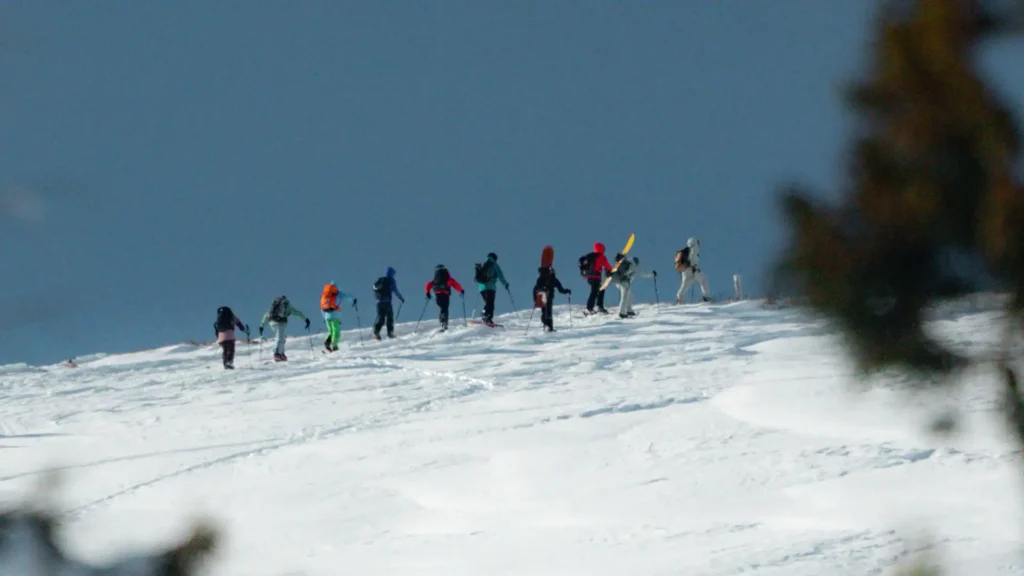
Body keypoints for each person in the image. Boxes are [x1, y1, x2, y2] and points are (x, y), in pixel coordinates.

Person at [259, 295, 309, 362]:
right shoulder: (287, 306)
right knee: (280, 338)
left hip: (272, 323)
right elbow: (297, 313)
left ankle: (281, 353)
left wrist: (262, 326)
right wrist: (305, 319)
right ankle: (277, 354)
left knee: (281, 338)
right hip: (280, 323)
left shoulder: (274, 307)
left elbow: (267, 315)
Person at [425, 265, 464, 332]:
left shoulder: (435, 279)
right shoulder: (448, 278)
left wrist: (427, 292)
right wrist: (461, 290)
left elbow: (428, 284)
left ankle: (442, 321)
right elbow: (455, 284)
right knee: (445, 308)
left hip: (437, 293)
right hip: (445, 293)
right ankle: (444, 322)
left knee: (442, 307)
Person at [533, 266, 571, 332]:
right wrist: (566, 291)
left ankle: (547, 325)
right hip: (549, 296)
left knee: (545, 311)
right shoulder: (554, 279)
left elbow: (536, 288)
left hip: (542, 296)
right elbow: (561, 289)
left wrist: (535, 299)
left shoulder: (541, 278)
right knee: (548, 311)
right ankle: (550, 327)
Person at [320, 282, 356, 352]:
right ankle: (334, 345)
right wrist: (353, 299)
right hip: (335, 316)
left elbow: (322, 308)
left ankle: (327, 342)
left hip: (327, 316)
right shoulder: (338, 294)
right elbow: (347, 296)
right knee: (336, 331)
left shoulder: (324, 296)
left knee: (331, 331)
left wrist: (324, 317)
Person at [474, 252, 509, 325]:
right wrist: (505, 284)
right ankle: (488, 317)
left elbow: (477, 277)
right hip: (490, 287)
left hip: (481, 288)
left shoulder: (484, 264)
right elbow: (500, 275)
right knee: (490, 303)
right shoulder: (494, 265)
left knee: (487, 302)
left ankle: (485, 314)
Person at [579, 242, 613, 314]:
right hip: (596, 277)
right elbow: (607, 266)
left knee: (599, 290)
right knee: (594, 292)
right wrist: (611, 270)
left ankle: (598, 306)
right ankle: (590, 308)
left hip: (589, 277)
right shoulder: (601, 257)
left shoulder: (591, 256)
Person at [372, 267, 405, 340]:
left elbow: (374, 287)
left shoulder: (380, 279)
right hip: (387, 302)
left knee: (381, 318)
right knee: (390, 318)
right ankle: (390, 333)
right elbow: (395, 291)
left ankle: (376, 331)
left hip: (379, 303)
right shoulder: (391, 280)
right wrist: (401, 298)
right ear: (392, 273)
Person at [675, 237, 711, 304]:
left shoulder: (685, 250)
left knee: (684, 285)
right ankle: (706, 297)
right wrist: (693, 266)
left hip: (685, 270)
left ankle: (679, 299)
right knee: (703, 280)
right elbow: (693, 255)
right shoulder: (694, 248)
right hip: (692, 268)